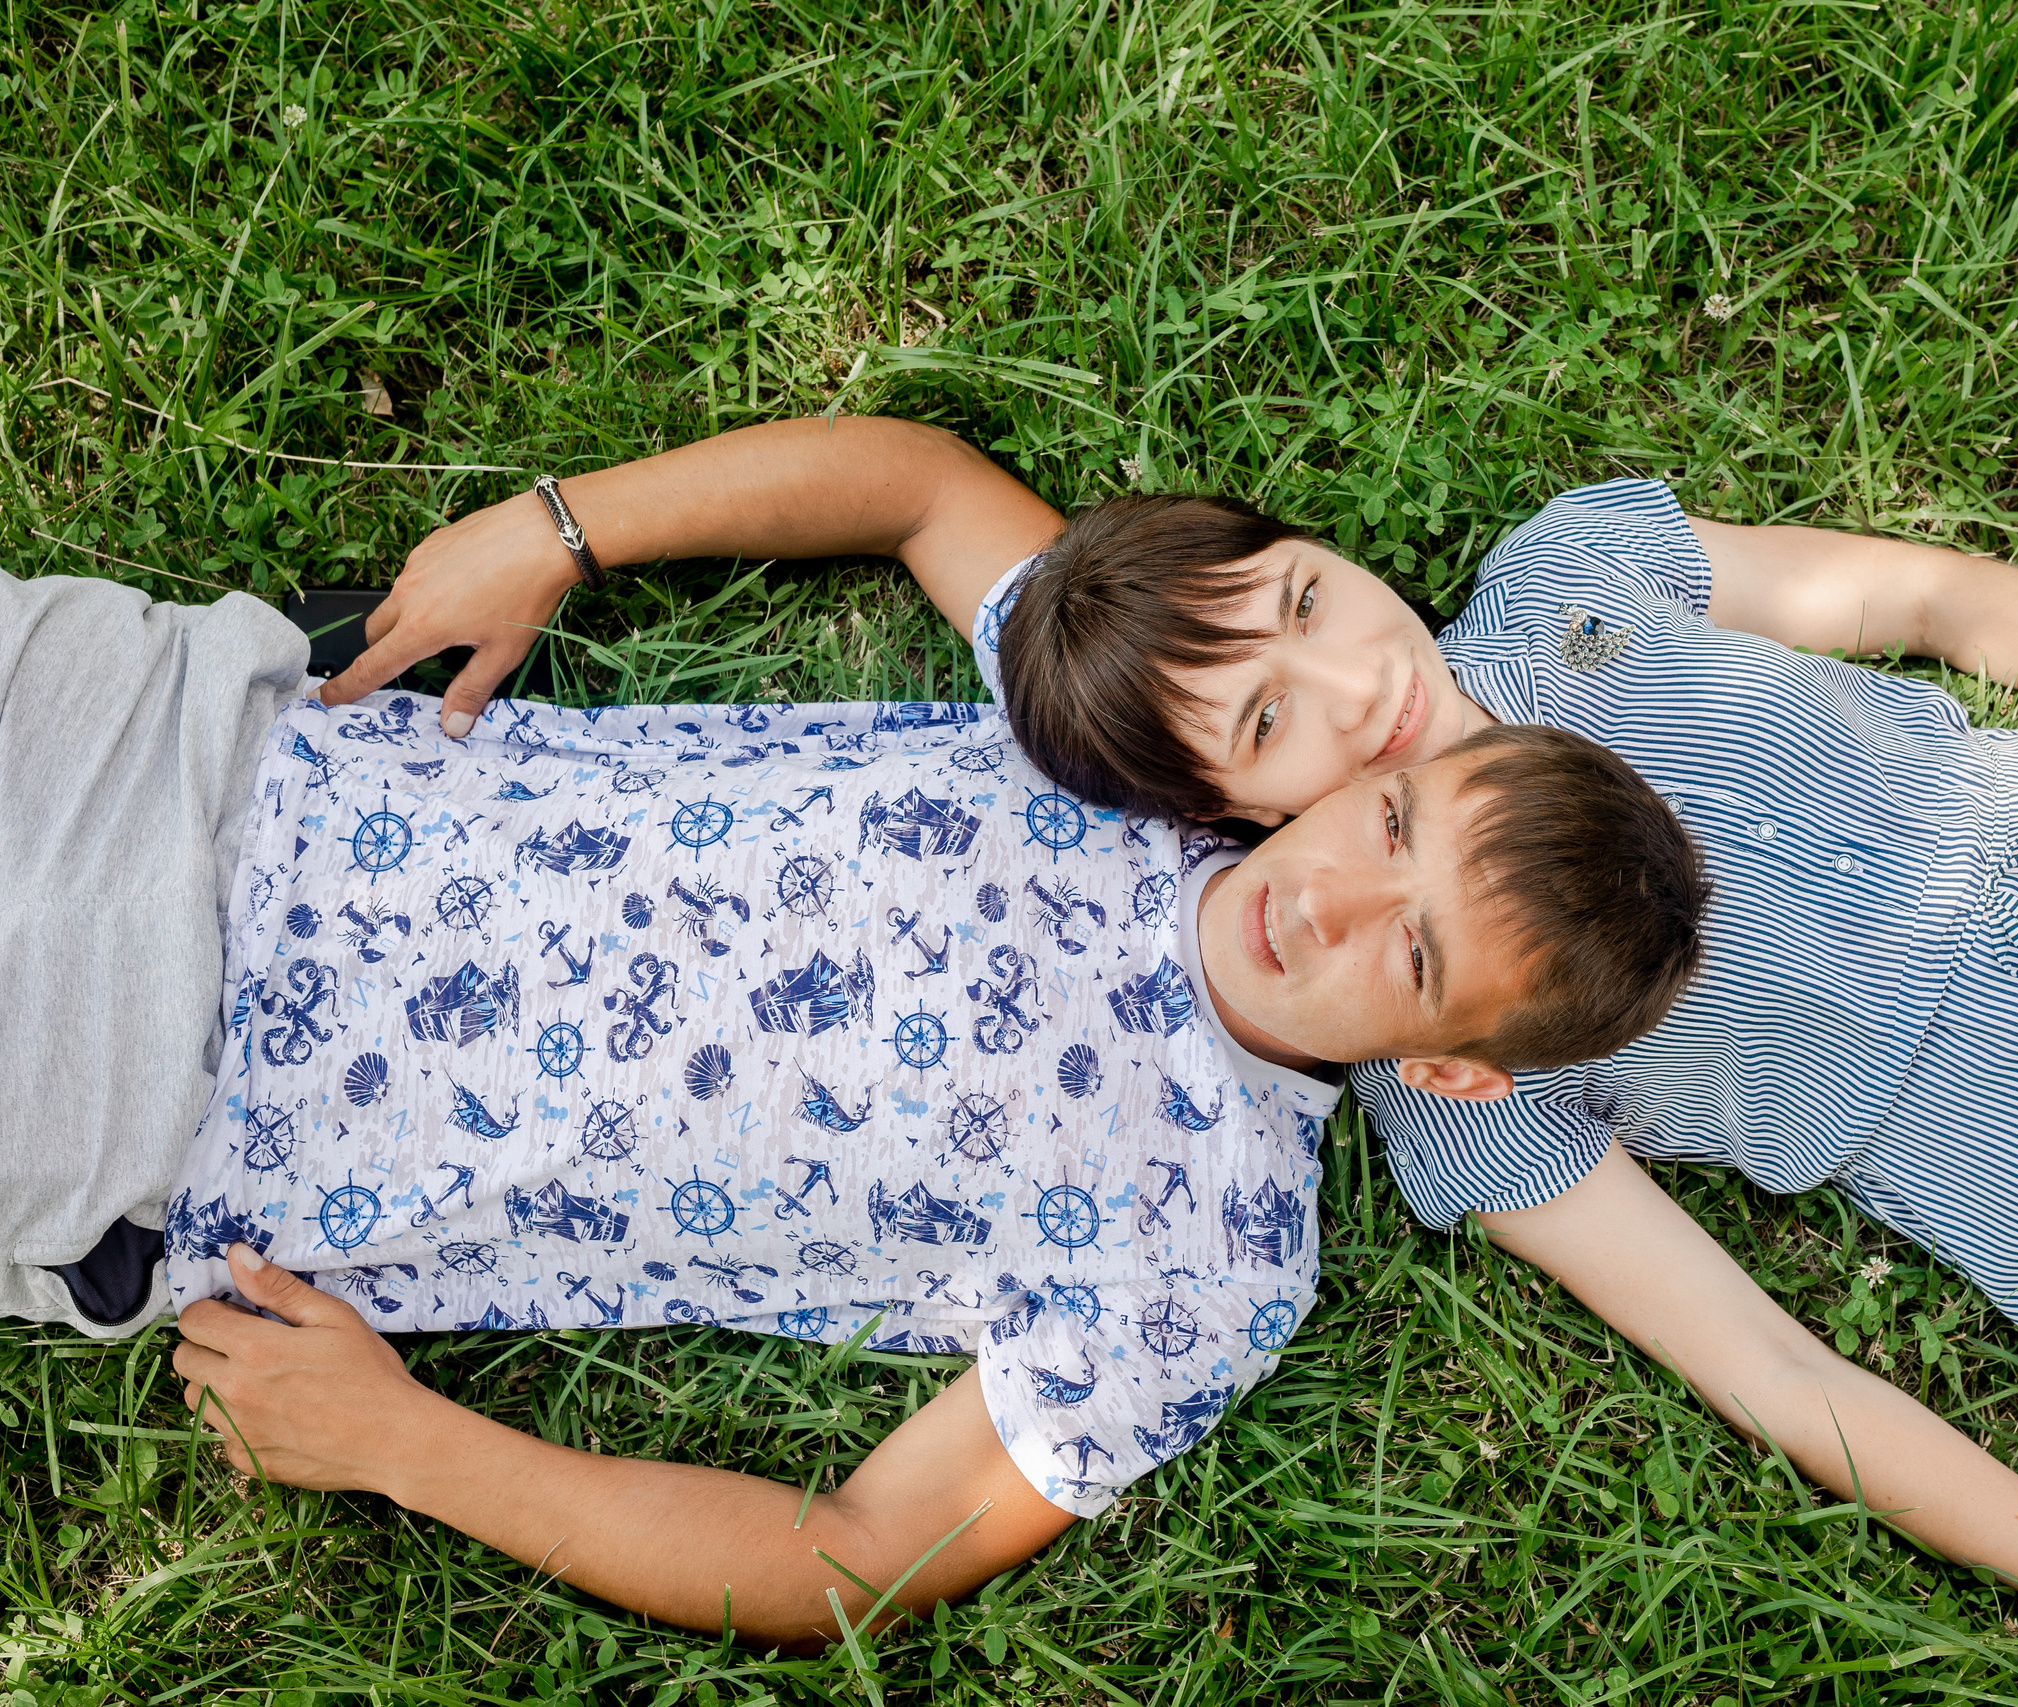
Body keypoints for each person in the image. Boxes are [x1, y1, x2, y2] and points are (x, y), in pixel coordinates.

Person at [348, 413, 2018, 1707]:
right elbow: (1780, 1372)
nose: (1354, 686)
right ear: (1219, 819)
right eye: (1269, 729)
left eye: (1311, 600)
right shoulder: (1452, 1082)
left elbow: (1925, 607)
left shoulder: (1579, 584)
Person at [0, 565, 1704, 1649]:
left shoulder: (1215, 1263)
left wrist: (412, 1449)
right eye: (1391, 828)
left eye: (1412, 954)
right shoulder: (1147, 750)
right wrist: (560, 529)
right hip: (203, 739)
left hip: (155, 1103)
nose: (1326, 900)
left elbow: (860, 1556)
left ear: (1452, 1069)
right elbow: (915, 485)